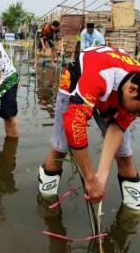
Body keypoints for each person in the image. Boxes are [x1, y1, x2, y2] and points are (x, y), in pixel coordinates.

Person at [38, 45, 140, 210]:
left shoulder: (135, 88)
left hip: (115, 94)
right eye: (138, 111)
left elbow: (117, 127)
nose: (137, 116)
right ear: (132, 90)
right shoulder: (101, 73)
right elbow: (74, 124)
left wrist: (101, 176)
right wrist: (90, 179)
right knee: (59, 148)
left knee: (124, 154)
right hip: (76, 82)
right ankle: (46, 204)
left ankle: (132, 213)